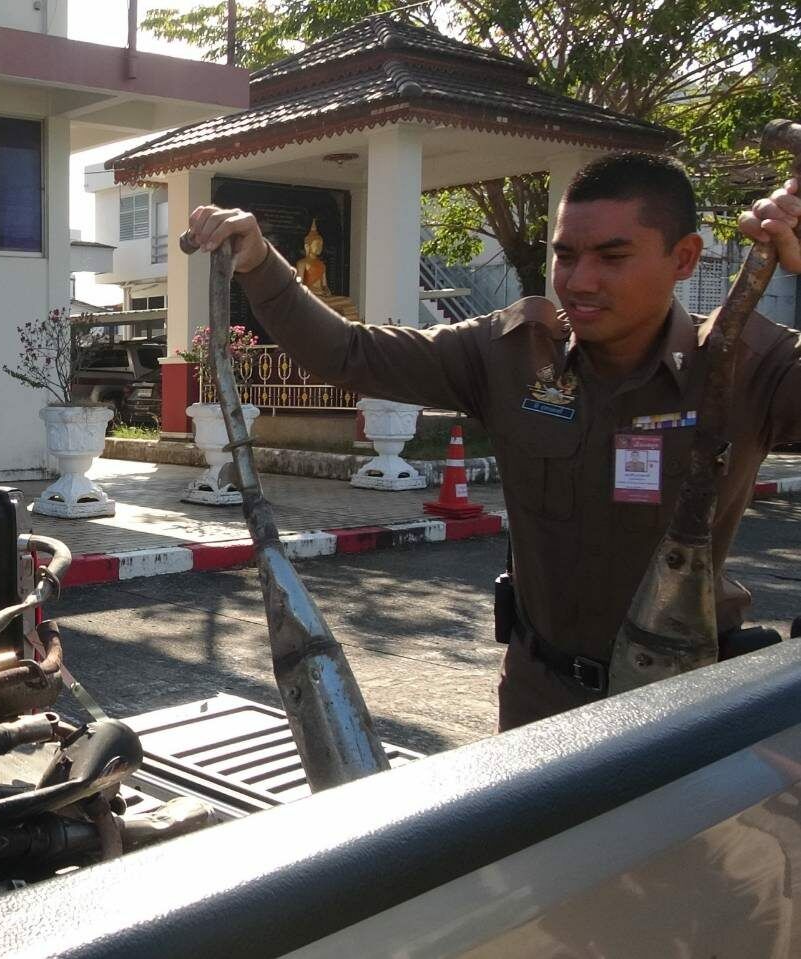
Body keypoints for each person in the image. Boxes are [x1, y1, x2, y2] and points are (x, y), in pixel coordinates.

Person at [185, 156, 801, 730]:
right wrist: (262, 262)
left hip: (685, 701)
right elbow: (350, 353)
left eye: (612, 257)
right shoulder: (510, 354)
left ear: (685, 258)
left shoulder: (746, 364)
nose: (580, 281)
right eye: (566, 255)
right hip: (540, 698)